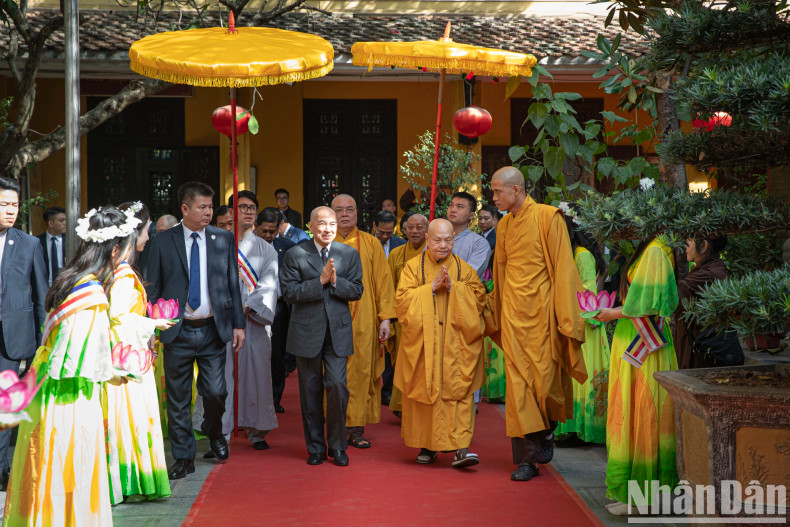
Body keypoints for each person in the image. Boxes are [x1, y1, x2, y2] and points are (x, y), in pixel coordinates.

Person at [3, 207, 133, 526]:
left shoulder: (72, 280)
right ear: (115, 250)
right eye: (128, 249)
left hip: (52, 392)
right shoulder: (90, 294)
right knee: (69, 471)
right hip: (70, 401)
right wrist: (117, 371)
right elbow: (76, 361)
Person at [488, 167, 587, 482]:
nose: (493, 198)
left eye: (497, 192)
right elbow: (500, 274)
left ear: (515, 190)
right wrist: (496, 311)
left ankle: (546, 429)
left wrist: (566, 317)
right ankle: (527, 460)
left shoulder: (548, 217)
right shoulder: (503, 227)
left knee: (545, 385)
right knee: (519, 392)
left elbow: (564, 269)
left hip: (543, 316)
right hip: (514, 318)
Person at [146, 182, 245, 480]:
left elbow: (232, 284)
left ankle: (215, 433)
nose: (208, 213)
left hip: (213, 330)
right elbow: (153, 287)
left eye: (210, 207)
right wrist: (151, 325)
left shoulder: (222, 239)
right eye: (202, 207)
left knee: (216, 391)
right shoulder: (163, 242)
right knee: (177, 397)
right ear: (185, 209)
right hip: (178, 331)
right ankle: (183, 456)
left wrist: (238, 323)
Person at [593, 236, 679, 515]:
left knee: (643, 414)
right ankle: (632, 492)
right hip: (634, 337)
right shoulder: (651, 247)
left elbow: (647, 304)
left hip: (643, 342)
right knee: (629, 412)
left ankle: (644, 497)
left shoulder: (656, 250)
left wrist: (611, 313)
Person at [395, 219, 486, 468]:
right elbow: (401, 303)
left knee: (459, 392)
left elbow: (479, 301)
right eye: (438, 240)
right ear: (427, 240)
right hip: (425, 345)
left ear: (454, 241)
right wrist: (430, 290)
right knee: (425, 392)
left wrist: (454, 288)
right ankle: (427, 445)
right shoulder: (412, 268)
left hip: (456, 346)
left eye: (448, 240)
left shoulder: (464, 270)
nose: (443, 245)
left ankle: (461, 449)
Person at [103, 201, 175, 504]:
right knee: (130, 420)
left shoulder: (121, 272)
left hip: (131, 353)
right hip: (127, 358)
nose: (148, 238)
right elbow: (118, 319)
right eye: (146, 232)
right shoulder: (123, 276)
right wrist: (153, 323)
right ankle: (131, 481)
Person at [280, 206, 363, 466]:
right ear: (311, 226)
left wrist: (336, 282)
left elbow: (357, 290)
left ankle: (338, 446)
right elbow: (289, 293)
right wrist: (321, 281)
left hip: (337, 332)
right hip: (307, 332)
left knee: (337, 387)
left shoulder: (349, 254)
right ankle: (315, 447)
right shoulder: (295, 253)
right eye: (322, 224)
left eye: (332, 224)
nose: (328, 229)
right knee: (310, 391)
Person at [332, 194, 396, 449]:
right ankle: (334, 425)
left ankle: (355, 429)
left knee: (360, 375)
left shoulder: (370, 244)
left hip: (364, 321)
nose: (345, 214)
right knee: (332, 375)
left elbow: (384, 283)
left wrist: (386, 319)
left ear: (357, 214)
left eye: (350, 209)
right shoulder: (322, 242)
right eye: (339, 210)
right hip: (330, 322)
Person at [0, 177, 47, 493]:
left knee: (4, 406)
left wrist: (42, 343)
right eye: (4, 204)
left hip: (11, 340)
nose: (10, 211)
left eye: (14, 205)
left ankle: (1, 468)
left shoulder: (29, 244)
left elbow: (41, 296)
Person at [223, 191, 279, 450]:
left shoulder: (266, 249)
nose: (248, 211)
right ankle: (221, 431)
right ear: (232, 211)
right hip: (223, 320)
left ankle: (257, 430)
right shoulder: (220, 243)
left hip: (253, 320)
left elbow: (270, 284)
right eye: (242, 207)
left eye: (252, 207)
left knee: (256, 374)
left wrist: (247, 306)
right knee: (223, 374)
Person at [556, 206, 611, 446]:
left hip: (585, 323)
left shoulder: (582, 256)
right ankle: (573, 427)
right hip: (577, 319)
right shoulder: (574, 253)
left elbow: (587, 293)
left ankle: (581, 429)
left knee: (583, 375)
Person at [386, 213, 428, 416]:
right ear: (403, 230)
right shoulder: (396, 254)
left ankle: (422, 404)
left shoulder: (435, 252)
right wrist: (390, 318)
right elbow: (389, 287)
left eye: (420, 227)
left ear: (428, 230)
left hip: (428, 317)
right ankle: (402, 406)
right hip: (404, 318)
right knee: (403, 362)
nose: (414, 231)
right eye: (410, 227)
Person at [256, 207, 296, 411]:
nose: (269, 235)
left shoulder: (287, 247)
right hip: (254, 308)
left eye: (273, 231)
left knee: (277, 355)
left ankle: (274, 398)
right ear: (256, 227)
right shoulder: (248, 247)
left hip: (279, 307)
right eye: (264, 231)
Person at [675, 236, 736, 369]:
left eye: (688, 244)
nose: (684, 250)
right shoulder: (714, 267)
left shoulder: (708, 274)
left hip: (700, 351)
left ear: (703, 245)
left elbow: (673, 298)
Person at [446, 191, 490, 280]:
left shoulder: (479, 243)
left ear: (472, 215)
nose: (453, 209)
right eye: (451, 205)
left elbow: (468, 275)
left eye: (460, 207)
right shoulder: (435, 239)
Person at [37, 205, 67, 286]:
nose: (65, 223)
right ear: (51, 223)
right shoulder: (37, 241)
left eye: (65, 220)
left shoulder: (69, 240)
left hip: (65, 286)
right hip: (44, 288)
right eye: (61, 220)